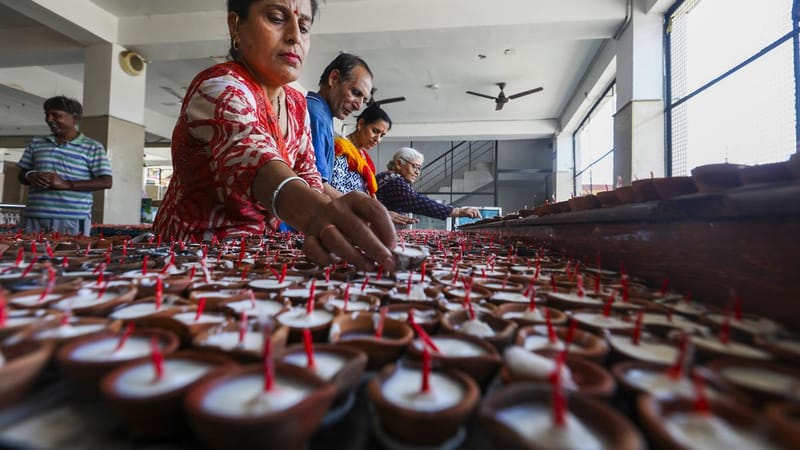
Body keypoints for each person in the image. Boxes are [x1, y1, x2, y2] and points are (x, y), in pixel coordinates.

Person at [153, 0, 396, 272]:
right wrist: (317, 215)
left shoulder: (296, 104)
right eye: (276, 18)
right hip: (186, 260)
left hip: (255, 257)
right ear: (236, 25)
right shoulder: (220, 88)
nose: (294, 36)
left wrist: (336, 222)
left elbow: (309, 177)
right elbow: (256, 161)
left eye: (304, 27)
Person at [17, 95, 113, 236]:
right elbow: (22, 174)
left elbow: (106, 181)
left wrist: (66, 184)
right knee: (30, 257)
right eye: (47, 115)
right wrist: (30, 176)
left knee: (68, 256)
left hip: (72, 219)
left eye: (56, 115)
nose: (49, 120)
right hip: (34, 216)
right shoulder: (36, 143)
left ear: (74, 118)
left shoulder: (92, 147)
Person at [330, 104, 418, 225]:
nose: (378, 139)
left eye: (382, 135)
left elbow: (368, 194)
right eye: (375, 131)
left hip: (355, 218)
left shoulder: (363, 157)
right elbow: (335, 189)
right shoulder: (342, 149)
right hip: (338, 218)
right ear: (361, 124)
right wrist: (375, 213)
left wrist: (381, 212)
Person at [306, 53, 373, 199]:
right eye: (356, 93)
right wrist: (364, 213)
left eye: (364, 100)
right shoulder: (316, 115)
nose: (359, 105)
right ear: (334, 78)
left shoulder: (321, 114)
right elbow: (317, 185)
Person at [376, 147, 482, 221]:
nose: (417, 172)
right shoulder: (394, 181)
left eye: (419, 168)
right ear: (399, 164)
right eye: (414, 166)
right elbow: (416, 201)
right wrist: (458, 212)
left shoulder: (387, 177)